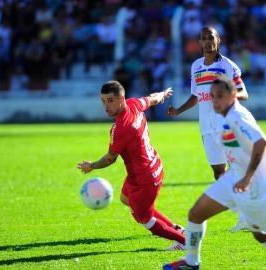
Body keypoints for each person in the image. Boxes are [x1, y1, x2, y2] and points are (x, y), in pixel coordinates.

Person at [163, 77, 266, 270]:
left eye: (220, 96)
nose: (214, 100)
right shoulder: (224, 115)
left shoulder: (237, 116)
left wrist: (247, 177)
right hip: (234, 178)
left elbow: (261, 141)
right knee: (196, 214)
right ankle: (191, 262)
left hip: (257, 186)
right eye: (212, 96)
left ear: (233, 95)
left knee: (262, 234)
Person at [77, 80, 185, 250]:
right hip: (150, 167)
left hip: (145, 178)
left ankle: (186, 242)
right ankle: (177, 229)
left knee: (144, 218)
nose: (106, 105)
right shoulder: (134, 104)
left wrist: (92, 165)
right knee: (125, 198)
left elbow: (109, 159)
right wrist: (163, 94)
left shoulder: (121, 127)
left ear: (121, 99)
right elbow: (152, 99)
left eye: (110, 100)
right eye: (103, 101)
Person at [167, 26, 248, 231]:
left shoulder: (228, 65)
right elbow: (196, 97)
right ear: (200, 43)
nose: (208, 41)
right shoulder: (195, 66)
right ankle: (243, 213)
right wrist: (179, 111)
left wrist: (226, 97)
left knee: (235, 169)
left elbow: (243, 93)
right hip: (206, 127)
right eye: (204, 38)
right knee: (219, 174)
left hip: (226, 124)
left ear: (218, 40)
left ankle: (246, 215)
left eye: (211, 37)